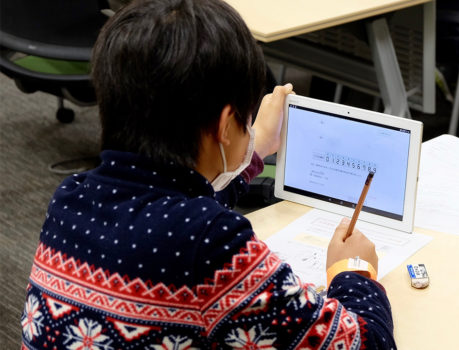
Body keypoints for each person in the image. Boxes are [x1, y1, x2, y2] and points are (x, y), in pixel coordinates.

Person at [19, 0, 395, 349]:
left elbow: (176, 203)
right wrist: (353, 270)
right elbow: (366, 342)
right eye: (246, 124)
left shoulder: (70, 199)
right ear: (226, 125)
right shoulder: (213, 247)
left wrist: (256, 148)